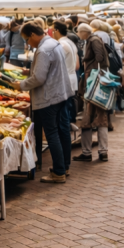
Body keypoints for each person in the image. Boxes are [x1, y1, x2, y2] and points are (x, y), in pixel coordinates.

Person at [16, 23, 73, 183]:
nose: (28, 43)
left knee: (52, 133)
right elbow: (49, 70)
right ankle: (64, 167)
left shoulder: (43, 50)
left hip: (49, 97)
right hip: (60, 94)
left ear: (33, 35)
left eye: (27, 40)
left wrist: (21, 85)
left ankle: (59, 172)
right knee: (61, 132)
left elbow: (39, 78)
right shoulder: (54, 43)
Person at [74, 23, 110, 162]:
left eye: (79, 32)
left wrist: (91, 69)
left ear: (84, 32)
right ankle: (101, 151)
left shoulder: (93, 40)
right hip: (97, 82)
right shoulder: (94, 39)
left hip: (94, 82)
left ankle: (88, 152)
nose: (78, 34)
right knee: (100, 117)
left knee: (89, 117)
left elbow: (100, 58)